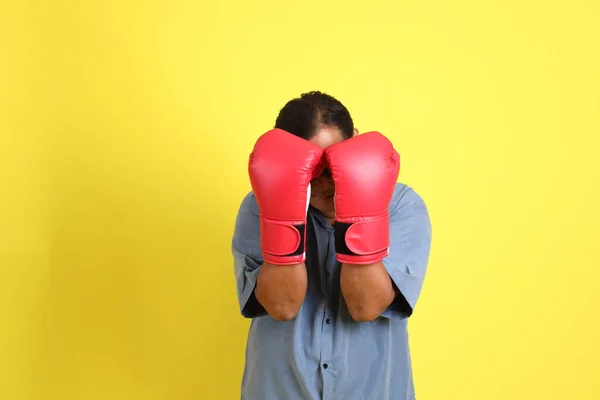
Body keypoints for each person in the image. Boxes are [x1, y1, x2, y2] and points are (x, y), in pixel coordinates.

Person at [231, 91, 432, 400]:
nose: (327, 181)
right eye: (312, 169)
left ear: (356, 143)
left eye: (335, 162)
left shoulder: (401, 206)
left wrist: (360, 205)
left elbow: (366, 307)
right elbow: (282, 306)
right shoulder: (258, 207)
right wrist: (284, 210)